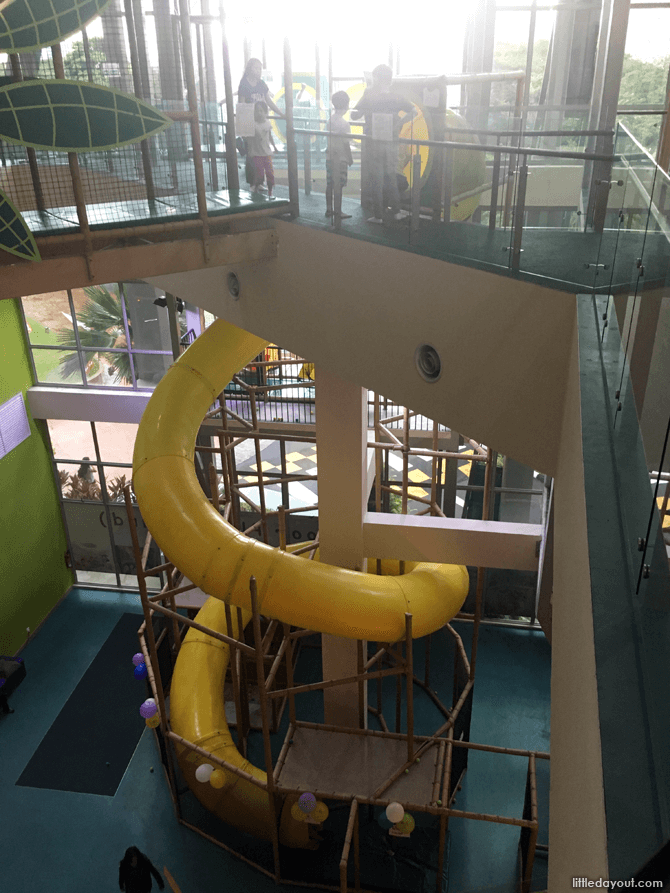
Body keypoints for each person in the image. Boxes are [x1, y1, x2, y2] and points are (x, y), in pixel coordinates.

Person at [350, 64, 417, 224]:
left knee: (377, 178)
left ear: (376, 77)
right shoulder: (396, 96)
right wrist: (399, 122)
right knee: (391, 175)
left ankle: (378, 215)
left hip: (374, 141)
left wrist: (366, 111)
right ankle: (395, 211)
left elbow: (354, 114)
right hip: (392, 141)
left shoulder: (369, 94)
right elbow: (413, 112)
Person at [237, 58, 284, 188]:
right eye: (255, 68)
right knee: (252, 153)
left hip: (261, 121)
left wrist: (281, 114)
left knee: (262, 151)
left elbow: (268, 101)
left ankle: (260, 181)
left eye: (260, 68)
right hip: (250, 123)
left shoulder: (261, 84)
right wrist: (242, 126)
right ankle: (253, 182)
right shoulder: (244, 84)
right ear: (249, 68)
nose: (258, 71)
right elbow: (241, 104)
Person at [325, 90, 353, 221]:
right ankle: (338, 210)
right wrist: (350, 158)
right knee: (339, 185)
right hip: (341, 159)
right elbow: (346, 144)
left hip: (330, 157)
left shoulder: (330, 120)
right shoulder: (344, 124)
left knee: (330, 184)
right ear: (347, 105)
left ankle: (329, 209)